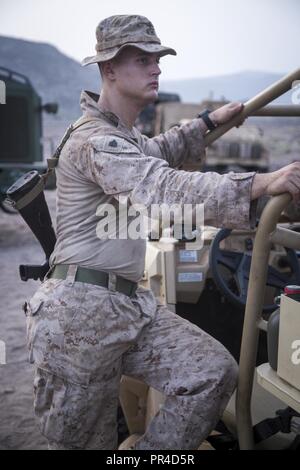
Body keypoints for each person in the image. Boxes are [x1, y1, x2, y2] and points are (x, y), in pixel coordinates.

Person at [25, 14, 300, 450]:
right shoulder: (96, 140)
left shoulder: (123, 137)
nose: (156, 67)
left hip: (126, 307)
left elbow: (158, 151)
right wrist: (260, 183)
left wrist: (208, 123)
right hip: (78, 318)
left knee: (212, 372)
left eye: (157, 58)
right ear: (109, 69)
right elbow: (163, 187)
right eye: (141, 58)